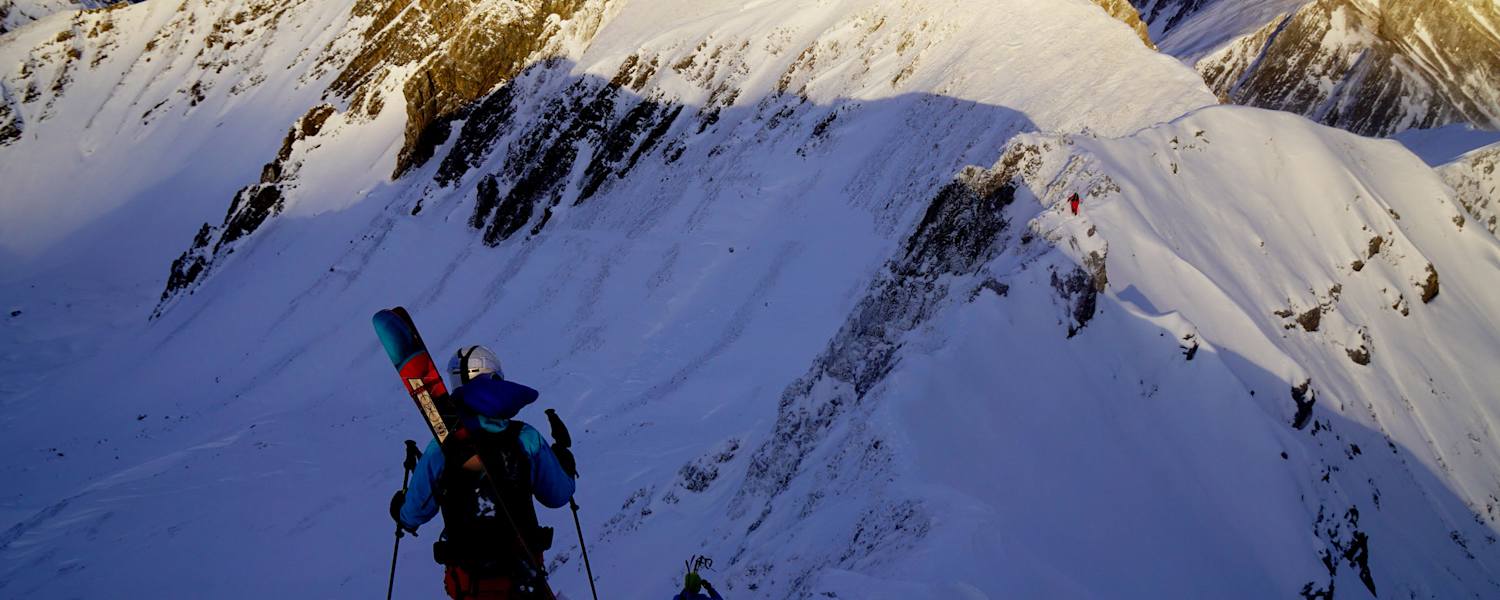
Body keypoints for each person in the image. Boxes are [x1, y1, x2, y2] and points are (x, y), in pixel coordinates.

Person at [390, 345, 576, 599]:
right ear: (496, 378)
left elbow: (414, 514)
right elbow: (559, 495)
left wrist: (400, 508)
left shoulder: (441, 448)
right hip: (524, 579)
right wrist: (564, 463)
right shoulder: (525, 437)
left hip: (470, 584)